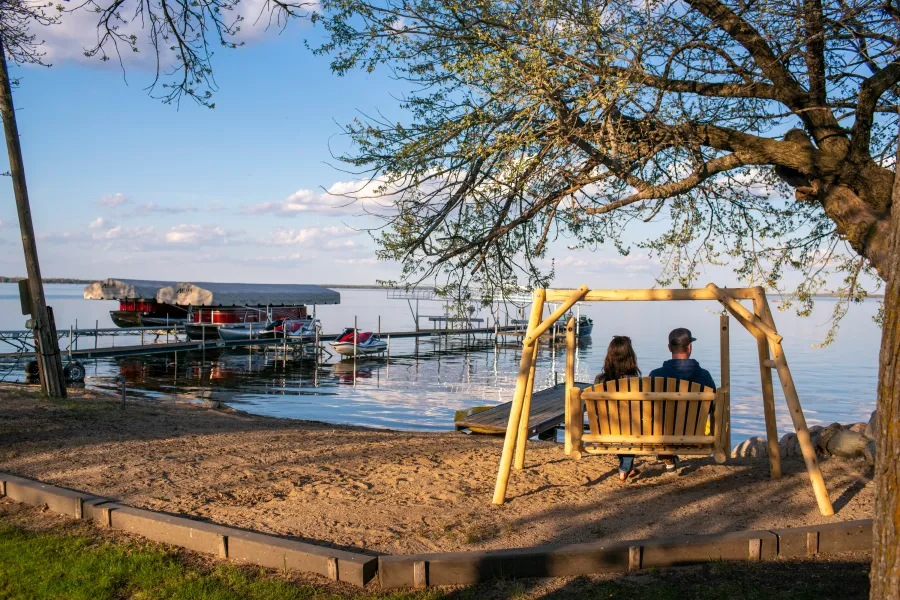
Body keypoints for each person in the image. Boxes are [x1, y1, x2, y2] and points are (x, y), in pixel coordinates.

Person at [649, 327, 717, 473]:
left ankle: (667, 455)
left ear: (669, 348)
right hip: (694, 435)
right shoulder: (704, 376)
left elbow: (647, 409)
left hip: (662, 434)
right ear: (689, 347)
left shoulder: (655, 375)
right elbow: (713, 407)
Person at [594, 335, 642, 483]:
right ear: (630, 356)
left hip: (606, 429)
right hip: (632, 429)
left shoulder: (600, 380)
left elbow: (595, 408)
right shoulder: (637, 382)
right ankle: (624, 468)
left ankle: (626, 466)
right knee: (631, 427)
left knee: (622, 430)